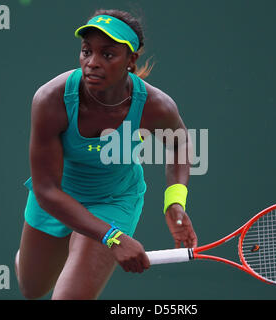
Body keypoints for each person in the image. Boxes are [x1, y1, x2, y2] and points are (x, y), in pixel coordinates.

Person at [15, 9, 198, 300]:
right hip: (57, 195)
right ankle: (56, 250)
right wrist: (113, 238)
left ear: (131, 61)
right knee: (32, 288)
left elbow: (180, 144)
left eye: (108, 55)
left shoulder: (156, 106)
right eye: (86, 52)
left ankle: (82, 249)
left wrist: (174, 201)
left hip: (113, 201)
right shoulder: (51, 99)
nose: (92, 63)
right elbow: (46, 189)